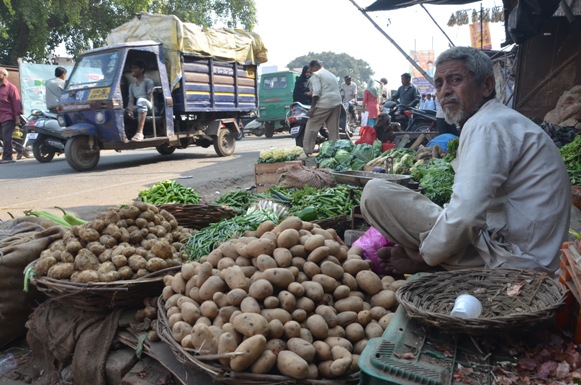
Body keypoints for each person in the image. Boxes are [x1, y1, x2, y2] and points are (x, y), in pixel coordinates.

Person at [360, 46, 571, 277]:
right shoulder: (498, 120)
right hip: (524, 251)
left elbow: (467, 215)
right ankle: (439, 257)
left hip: (517, 262)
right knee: (441, 215)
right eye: (439, 84)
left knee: (375, 193)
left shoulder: (486, 124)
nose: (445, 91)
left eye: (455, 80)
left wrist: (425, 257)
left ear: (486, 86)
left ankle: (432, 260)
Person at [303, 59, 342, 156]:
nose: (310, 71)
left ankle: (307, 151)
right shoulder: (331, 74)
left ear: (315, 67)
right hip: (337, 102)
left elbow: (316, 92)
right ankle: (336, 151)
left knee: (311, 126)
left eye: (311, 69)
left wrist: (312, 108)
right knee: (333, 129)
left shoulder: (316, 74)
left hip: (325, 102)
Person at [125, 60, 155, 141]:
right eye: (131, 68)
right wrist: (129, 110)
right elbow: (130, 101)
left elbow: (150, 99)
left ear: (142, 69)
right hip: (138, 107)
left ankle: (140, 132)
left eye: (135, 68)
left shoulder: (148, 82)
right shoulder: (131, 86)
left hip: (150, 106)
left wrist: (134, 107)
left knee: (141, 100)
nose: (132, 70)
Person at [0, 67, 23, 164]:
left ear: (4, 75)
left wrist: (17, 117)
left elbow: (16, 104)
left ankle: (7, 157)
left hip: (8, 117)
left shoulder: (11, 87)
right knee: (4, 137)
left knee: (6, 137)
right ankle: (20, 148)